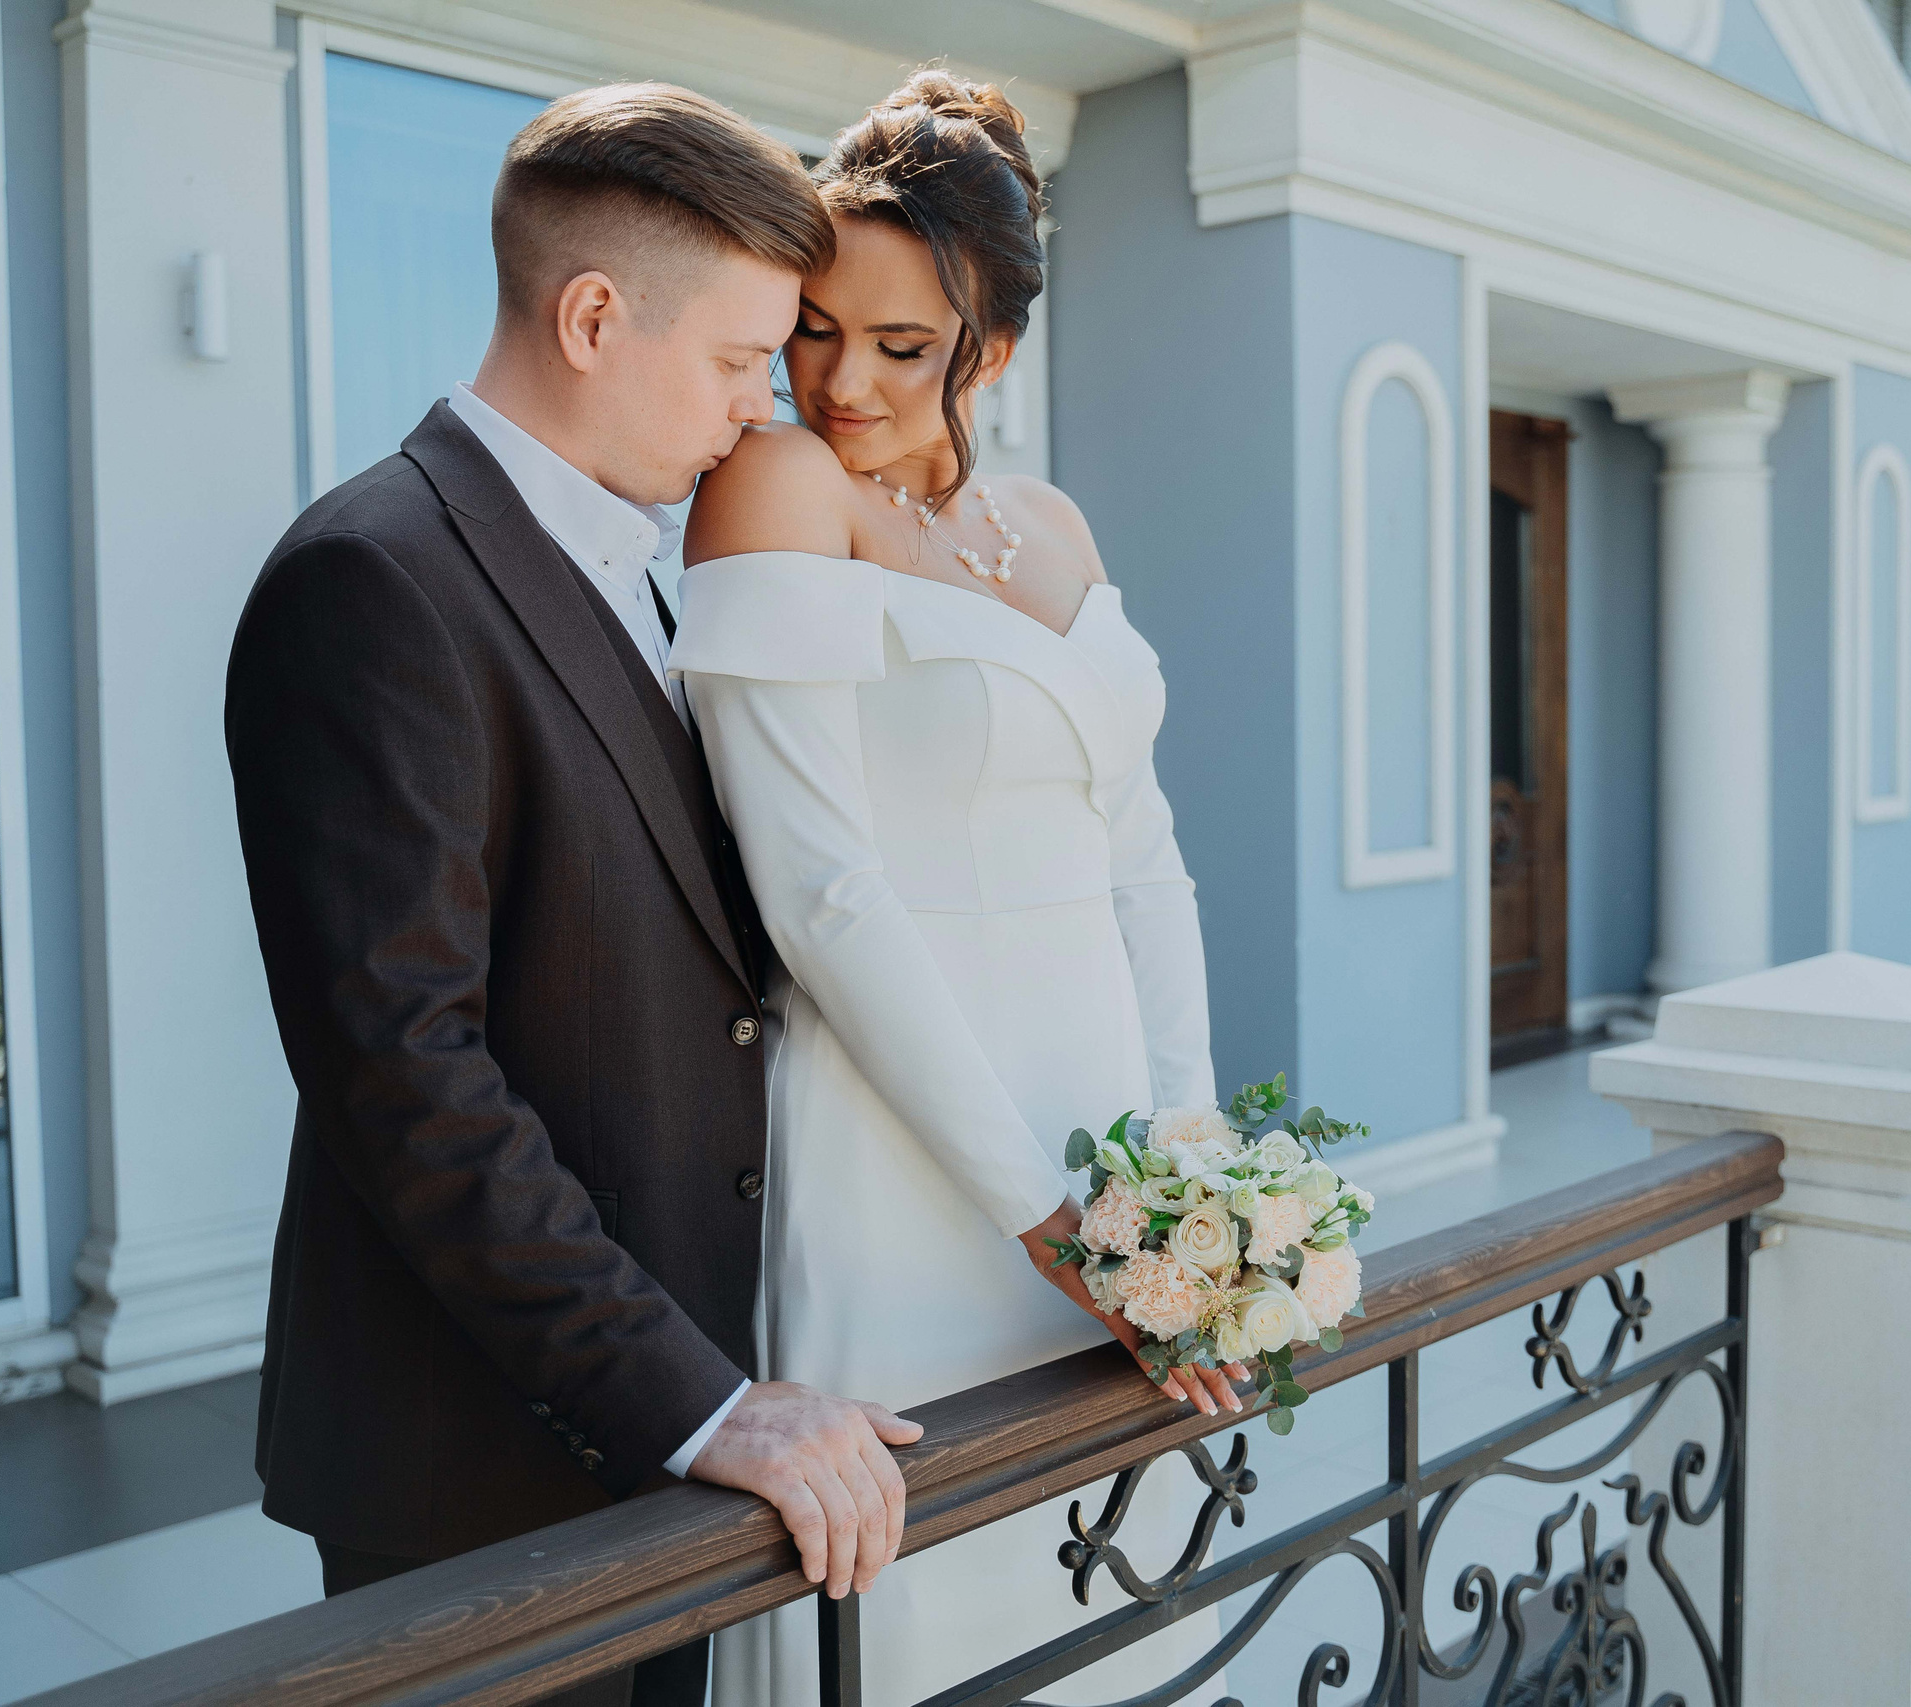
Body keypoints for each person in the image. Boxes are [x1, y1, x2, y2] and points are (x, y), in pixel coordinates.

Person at [225, 84, 920, 1707]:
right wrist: (697, 1401)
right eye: (746, 360)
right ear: (595, 315)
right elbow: (407, 1075)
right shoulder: (371, 576)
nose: (766, 414)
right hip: (481, 1465)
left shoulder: (653, 567)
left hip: (665, 1430)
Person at [673, 71, 1244, 1707]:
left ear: (992, 350)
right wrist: (1045, 1219)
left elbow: (1144, 856)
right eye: (814, 328)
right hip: (907, 1156)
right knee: (929, 1626)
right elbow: (820, 892)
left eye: (901, 346)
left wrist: (1189, 1170)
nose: (840, 378)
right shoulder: (775, 490)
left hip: (1104, 1140)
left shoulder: (1049, 526)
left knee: (1112, 1604)